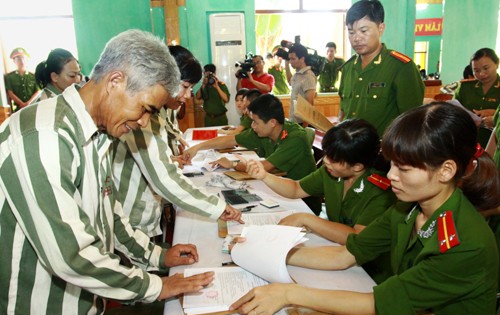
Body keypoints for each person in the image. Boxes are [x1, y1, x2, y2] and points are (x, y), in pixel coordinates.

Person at [0, 29, 215, 315]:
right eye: (146, 109)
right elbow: (71, 255)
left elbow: (109, 213)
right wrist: (157, 286)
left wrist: (158, 257)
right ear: (115, 82)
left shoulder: (97, 134)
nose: (144, 123)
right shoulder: (44, 135)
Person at [230, 102, 500, 315]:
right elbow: (347, 253)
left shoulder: (465, 241)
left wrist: (289, 294)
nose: (391, 176)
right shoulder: (406, 208)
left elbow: (377, 304)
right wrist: (268, 251)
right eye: (391, 164)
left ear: (446, 170)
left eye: (403, 169)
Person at [113, 45, 241, 239]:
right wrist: (218, 207)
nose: (188, 95)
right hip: (131, 219)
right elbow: (163, 177)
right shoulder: (140, 113)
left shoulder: (155, 111)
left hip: (143, 211)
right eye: (186, 86)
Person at [245, 118, 396, 245]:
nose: (326, 161)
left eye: (334, 159)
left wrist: (307, 220)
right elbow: (296, 188)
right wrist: (264, 176)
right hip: (334, 246)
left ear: (357, 166)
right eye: (327, 154)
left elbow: (356, 236)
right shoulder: (331, 172)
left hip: (369, 268)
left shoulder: (380, 190)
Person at [182, 94, 321, 215]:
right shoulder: (263, 131)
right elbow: (231, 139)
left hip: (302, 201)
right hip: (278, 189)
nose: (252, 126)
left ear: (272, 122)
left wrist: (233, 164)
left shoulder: (294, 137)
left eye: (255, 122)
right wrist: (197, 147)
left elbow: (262, 168)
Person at [338, 0, 424, 136]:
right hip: (350, 151)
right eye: (351, 32)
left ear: (381, 28)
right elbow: (343, 111)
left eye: (363, 31)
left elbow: (412, 120)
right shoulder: (348, 68)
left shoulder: (401, 67)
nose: (356, 38)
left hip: (383, 152)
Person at [161, 45, 201, 156]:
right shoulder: (145, 112)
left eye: (191, 88)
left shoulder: (171, 104)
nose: (188, 95)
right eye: (185, 86)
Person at [454, 48, 500, 129]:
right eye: (476, 71)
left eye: (486, 68)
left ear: (497, 63)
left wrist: (496, 117)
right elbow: (451, 111)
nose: (482, 74)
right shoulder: (465, 87)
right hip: (465, 136)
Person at [285, 44, 317, 124]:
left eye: (293, 59)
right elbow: (290, 81)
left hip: (301, 123)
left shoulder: (308, 76)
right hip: (293, 120)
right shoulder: (297, 74)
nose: (290, 62)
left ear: (302, 59)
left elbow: (309, 104)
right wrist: (286, 64)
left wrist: (305, 127)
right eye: (289, 59)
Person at [4, 47, 40, 111]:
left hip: (33, 107)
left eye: (23, 58)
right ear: (14, 61)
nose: (22, 61)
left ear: (27, 60)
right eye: (19, 59)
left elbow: (38, 91)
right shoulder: (10, 77)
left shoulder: (33, 76)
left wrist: (28, 103)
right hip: (18, 108)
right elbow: (10, 93)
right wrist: (22, 104)